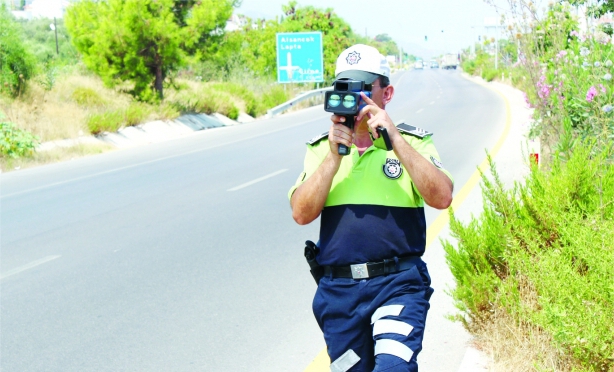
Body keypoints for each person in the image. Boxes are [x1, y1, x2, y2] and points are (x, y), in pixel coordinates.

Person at [287, 44, 454, 372]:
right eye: (344, 88)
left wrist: (393, 137)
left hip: (397, 285)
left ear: (386, 92)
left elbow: (442, 197)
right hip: (339, 295)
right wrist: (335, 155)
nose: (354, 97)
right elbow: (301, 213)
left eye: (364, 88)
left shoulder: (412, 143)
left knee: (393, 367)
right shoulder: (322, 149)